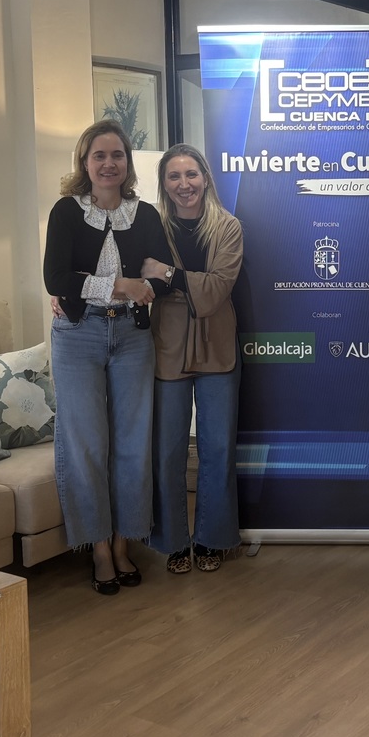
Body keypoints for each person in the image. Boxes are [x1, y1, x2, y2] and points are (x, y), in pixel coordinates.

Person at [44, 120, 171, 596]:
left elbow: (161, 276)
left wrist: (146, 284)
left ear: (127, 163)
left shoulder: (146, 215)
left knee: (133, 443)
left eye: (117, 155)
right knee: (86, 444)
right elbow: (56, 278)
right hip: (78, 334)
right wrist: (121, 285)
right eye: (99, 155)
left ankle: (123, 543)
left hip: (133, 336)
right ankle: (98, 547)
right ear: (85, 162)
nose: (109, 164)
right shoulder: (66, 211)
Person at [140, 144, 244, 574]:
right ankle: (173, 541)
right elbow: (137, 278)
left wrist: (168, 274)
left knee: (217, 449)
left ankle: (211, 539)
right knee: (168, 451)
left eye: (191, 174)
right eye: (174, 176)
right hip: (168, 344)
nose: (184, 184)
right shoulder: (152, 226)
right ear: (164, 184)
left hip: (218, 345)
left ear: (205, 178)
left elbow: (218, 289)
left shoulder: (229, 227)